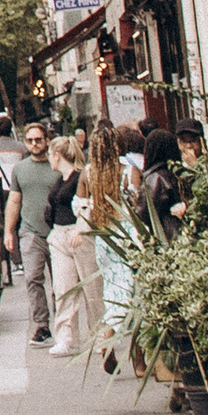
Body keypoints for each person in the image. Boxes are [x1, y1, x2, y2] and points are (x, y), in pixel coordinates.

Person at [83, 125, 135, 373]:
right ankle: (134, 354)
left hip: (103, 237)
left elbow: (81, 207)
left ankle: (108, 335)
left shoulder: (88, 174)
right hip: (126, 235)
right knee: (131, 294)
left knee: (112, 291)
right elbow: (136, 206)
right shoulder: (128, 172)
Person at [45, 136, 99, 357]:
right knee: (63, 289)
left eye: (50, 154)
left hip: (77, 234)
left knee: (92, 286)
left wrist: (81, 227)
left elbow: (89, 204)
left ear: (57, 156)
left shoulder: (80, 177)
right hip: (59, 234)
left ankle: (99, 334)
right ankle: (66, 338)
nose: (49, 159)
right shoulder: (60, 180)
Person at [9, 121, 55, 343]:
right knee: (33, 278)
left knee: (62, 282)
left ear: (47, 141)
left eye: (39, 140)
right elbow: (14, 201)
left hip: (58, 231)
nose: (35, 144)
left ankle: (65, 325)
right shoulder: (20, 169)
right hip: (30, 232)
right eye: (30, 141)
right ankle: (41, 325)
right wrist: (9, 231)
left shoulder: (57, 165)